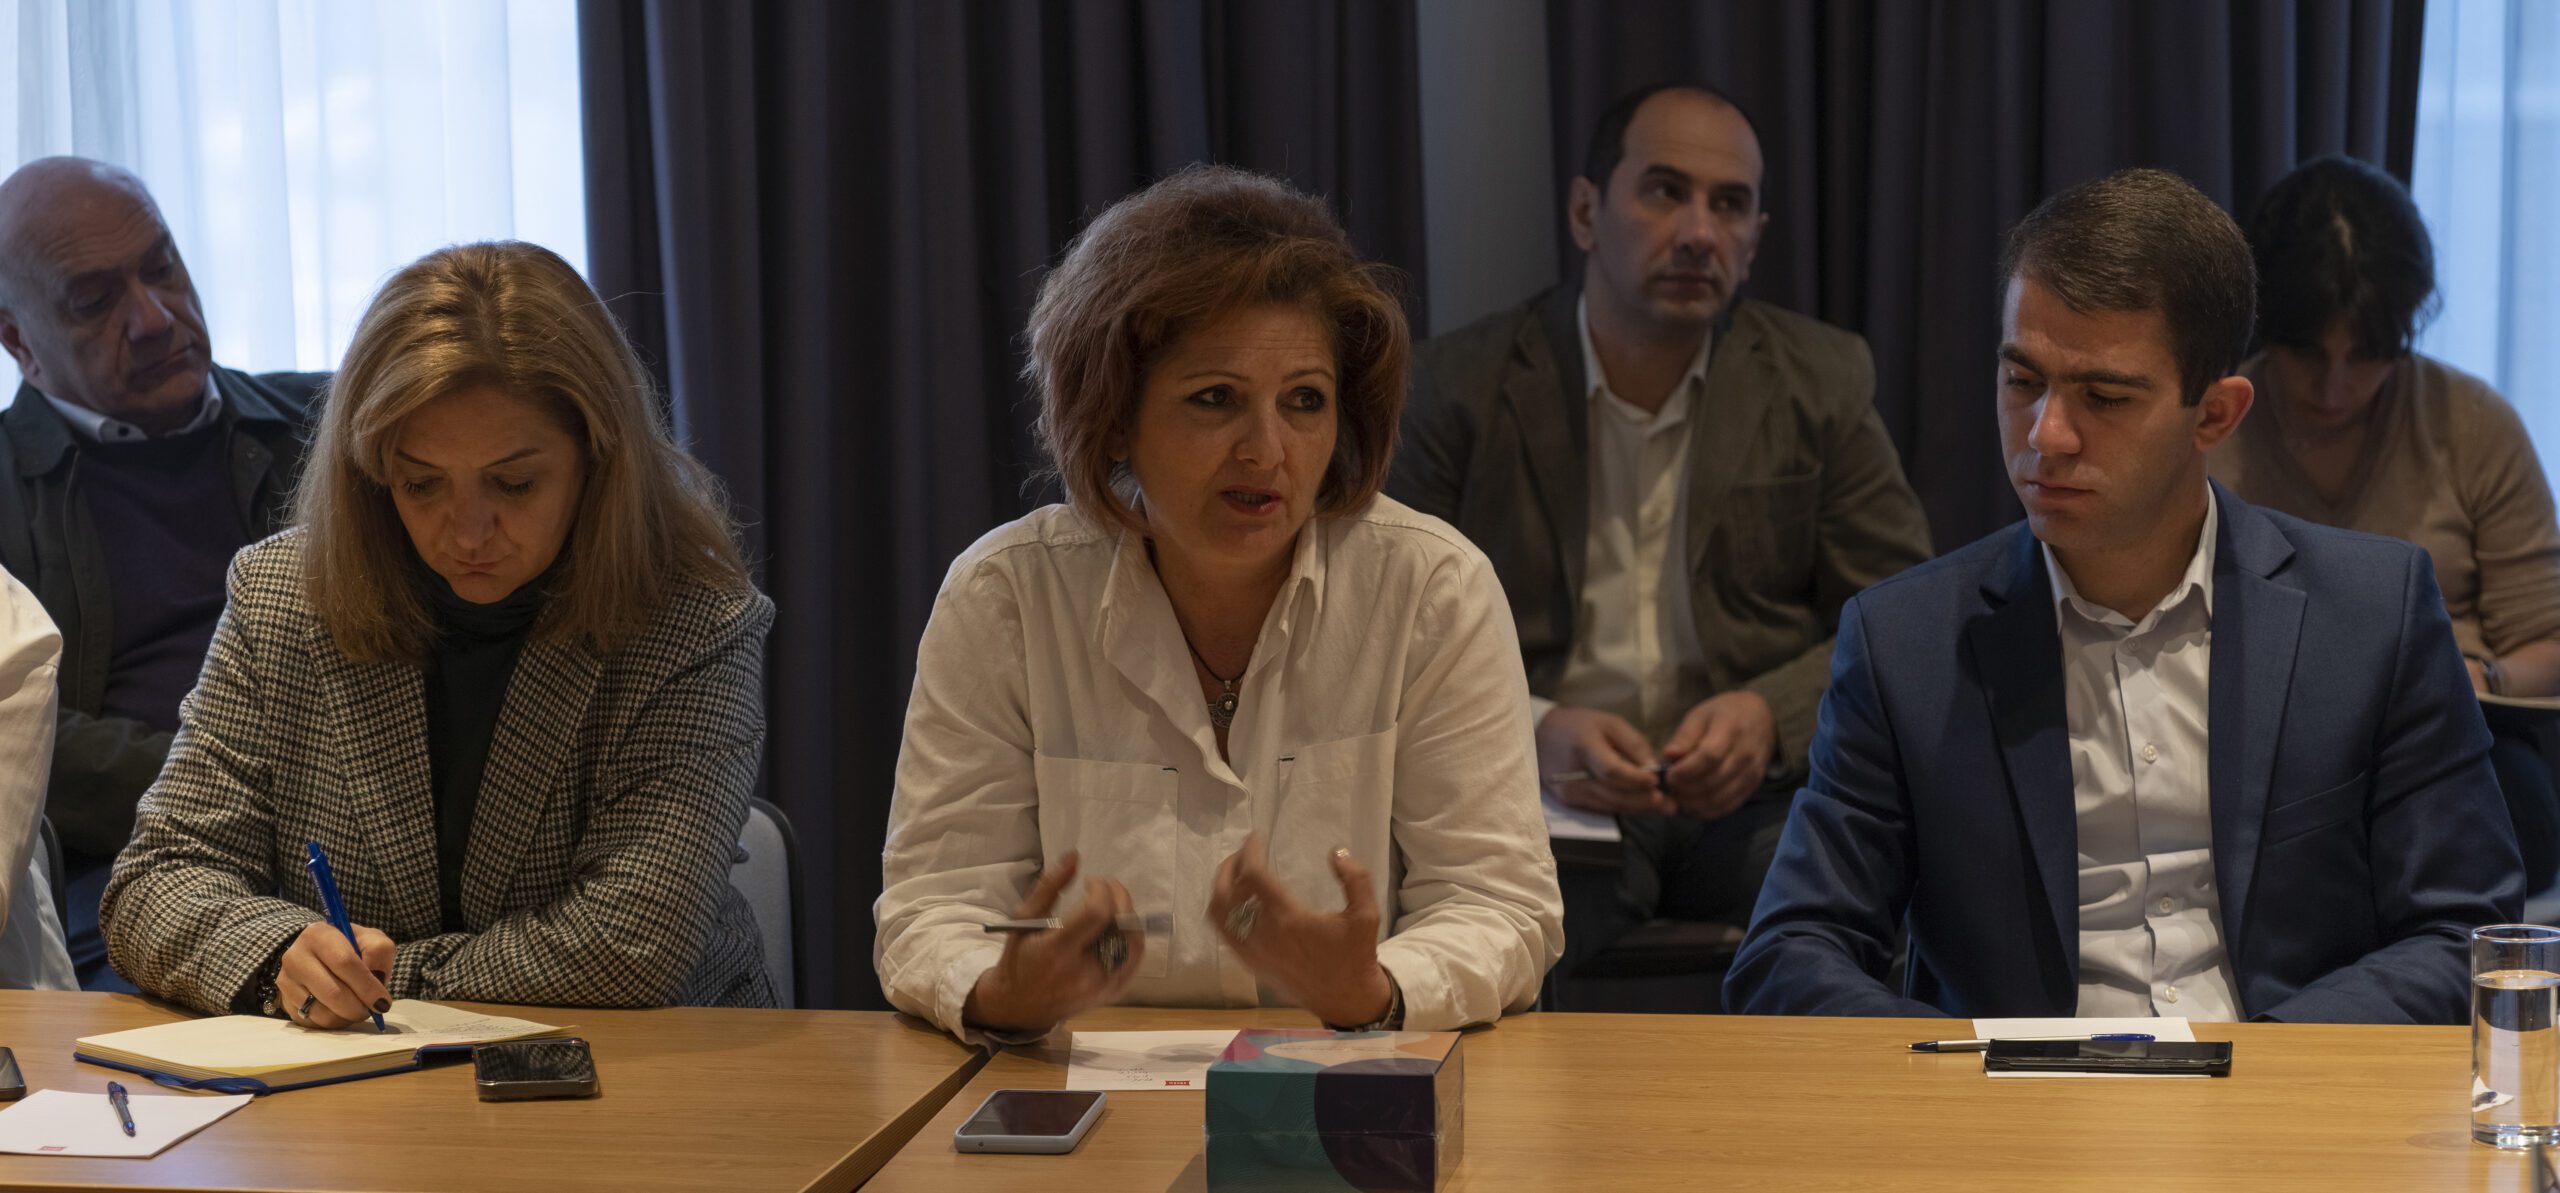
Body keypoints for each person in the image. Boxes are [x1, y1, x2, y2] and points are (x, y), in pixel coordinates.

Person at [1726, 168, 2521, 1024]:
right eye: (2022, 381)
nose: (2047, 435)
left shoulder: (2373, 613)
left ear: (2215, 415)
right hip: (2015, 1096)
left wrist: (2264, 1066)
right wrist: (1973, 1068)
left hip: (2286, 1085)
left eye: (2103, 397)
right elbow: (1789, 951)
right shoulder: (1905, 641)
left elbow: (2469, 932)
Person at [876, 165, 1564, 1042]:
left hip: (1342, 1089)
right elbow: (931, 909)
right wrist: (999, 992)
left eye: (1305, 401)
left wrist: (1377, 987)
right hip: (1081, 1088)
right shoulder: (1004, 596)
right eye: (1216, 400)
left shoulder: (1432, 589)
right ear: (1114, 418)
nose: (1267, 450)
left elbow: (1500, 905)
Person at [102, 240, 772, 1025]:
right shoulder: (282, 597)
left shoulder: (694, 621)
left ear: (599, 462)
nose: (469, 531)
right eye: (421, 484)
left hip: (658, 1062)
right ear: (372, 474)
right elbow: (155, 879)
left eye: (514, 483)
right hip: (363, 1081)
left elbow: (629, 945)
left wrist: (380, 983)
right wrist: (282, 954)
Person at [1388, 84, 1931, 997]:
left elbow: (1898, 615)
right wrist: (1533, 726)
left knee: (1874, 906)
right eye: (1665, 192)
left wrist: (1769, 717)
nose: (1698, 232)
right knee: (1495, 938)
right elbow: (1391, 627)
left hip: (1754, 798)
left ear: (1755, 237)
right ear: (1586, 212)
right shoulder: (1459, 387)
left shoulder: (1820, 379)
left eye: (1730, 205)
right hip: (1548, 793)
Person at [0, 157, 325, 990]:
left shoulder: (331, 426)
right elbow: (24, 734)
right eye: (95, 300)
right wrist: (250, 786)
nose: (153, 318)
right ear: (18, 342)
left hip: (366, 854)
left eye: (163, 267)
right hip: (133, 878)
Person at [2210, 154, 2560, 887]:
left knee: (2514, 808)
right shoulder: (2214, 431)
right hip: (2261, 735)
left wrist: (2484, 673)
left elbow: (2548, 637)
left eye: (2368, 355)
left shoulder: (2470, 423)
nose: (2334, 387)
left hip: (2441, 733)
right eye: (2307, 353)